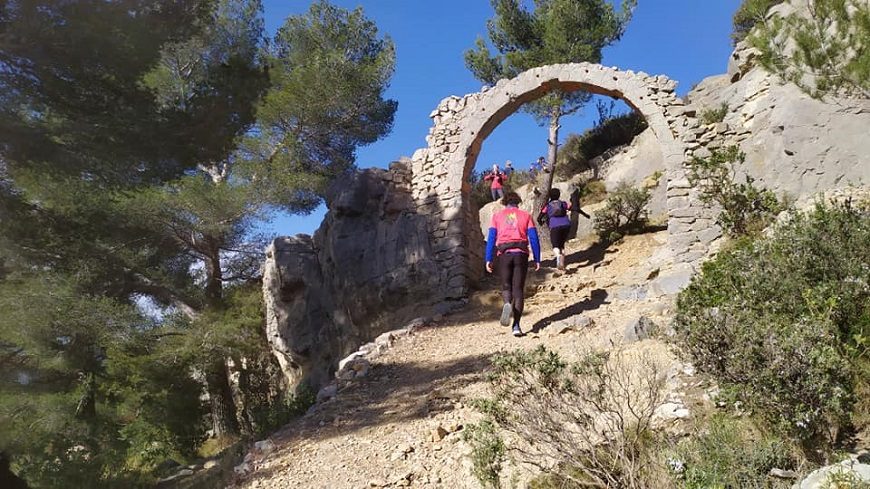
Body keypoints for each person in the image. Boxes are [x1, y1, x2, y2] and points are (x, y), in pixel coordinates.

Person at [485, 192, 541, 337]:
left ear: (504, 202)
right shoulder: (526, 216)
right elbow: (534, 238)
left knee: (506, 286)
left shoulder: (497, 216)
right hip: (521, 254)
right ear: (518, 201)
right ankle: (516, 325)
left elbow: (491, 238)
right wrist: (537, 258)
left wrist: (488, 258)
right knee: (518, 290)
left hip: (504, 254)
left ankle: (507, 303)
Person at [538, 187, 590, 269]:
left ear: (550, 196)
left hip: (555, 226)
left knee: (555, 245)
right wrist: (585, 214)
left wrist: (541, 223)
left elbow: (539, 217)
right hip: (566, 225)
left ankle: (558, 257)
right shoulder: (563, 203)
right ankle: (562, 264)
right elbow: (575, 208)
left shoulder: (547, 206)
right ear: (559, 195)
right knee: (561, 245)